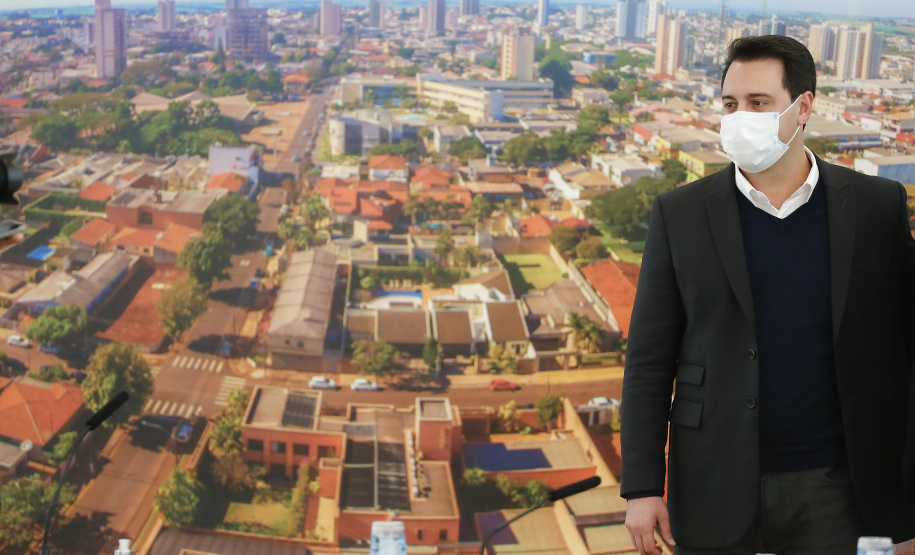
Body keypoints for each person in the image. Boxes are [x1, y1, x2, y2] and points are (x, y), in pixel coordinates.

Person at [620, 35, 915, 555]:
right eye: (730, 104)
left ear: (803, 107)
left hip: (841, 484)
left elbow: (907, 351)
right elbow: (648, 360)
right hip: (716, 475)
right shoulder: (680, 214)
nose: (740, 117)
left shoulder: (875, 207)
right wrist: (642, 487)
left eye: (758, 103)